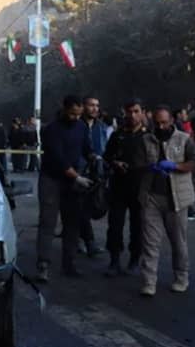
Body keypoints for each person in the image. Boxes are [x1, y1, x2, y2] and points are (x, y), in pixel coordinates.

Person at [138, 105, 195, 297]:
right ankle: (149, 282)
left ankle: (181, 277)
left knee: (178, 241)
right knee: (150, 242)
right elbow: (137, 163)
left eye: (164, 122)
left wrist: (176, 166)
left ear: (172, 120)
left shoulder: (184, 139)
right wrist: (150, 167)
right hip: (152, 197)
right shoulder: (146, 139)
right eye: (157, 123)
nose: (161, 126)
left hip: (177, 198)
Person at [36, 95, 94, 282]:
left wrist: (95, 157)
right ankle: (43, 265)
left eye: (79, 114)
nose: (75, 118)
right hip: (51, 179)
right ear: (64, 109)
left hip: (72, 181)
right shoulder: (51, 129)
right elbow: (57, 158)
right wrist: (77, 177)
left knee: (72, 224)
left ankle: (69, 264)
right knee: (47, 223)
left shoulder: (82, 127)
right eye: (72, 114)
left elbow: (86, 148)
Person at [102, 99, 155, 276]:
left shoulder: (149, 136)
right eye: (129, 112)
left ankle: (134, 259)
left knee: (138, 226)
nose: (132, 115)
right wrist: (114, 163)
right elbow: (107, 157)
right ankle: (114, 260)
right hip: (118, 187)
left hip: (140, 188)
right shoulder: (118, 135)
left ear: (142, 112)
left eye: (136, 111)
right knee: (115, 225)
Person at [79, 96, 109, 257]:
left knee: (95, 208)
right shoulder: (77, 126)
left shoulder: (102, 127)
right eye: (91, 105)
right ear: (84, 107)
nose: (95, 108)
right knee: (81, 208)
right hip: (78, 173)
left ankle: (80, 237)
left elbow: (105, 149)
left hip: (97, 173)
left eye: (97, 105)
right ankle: (89, 242)